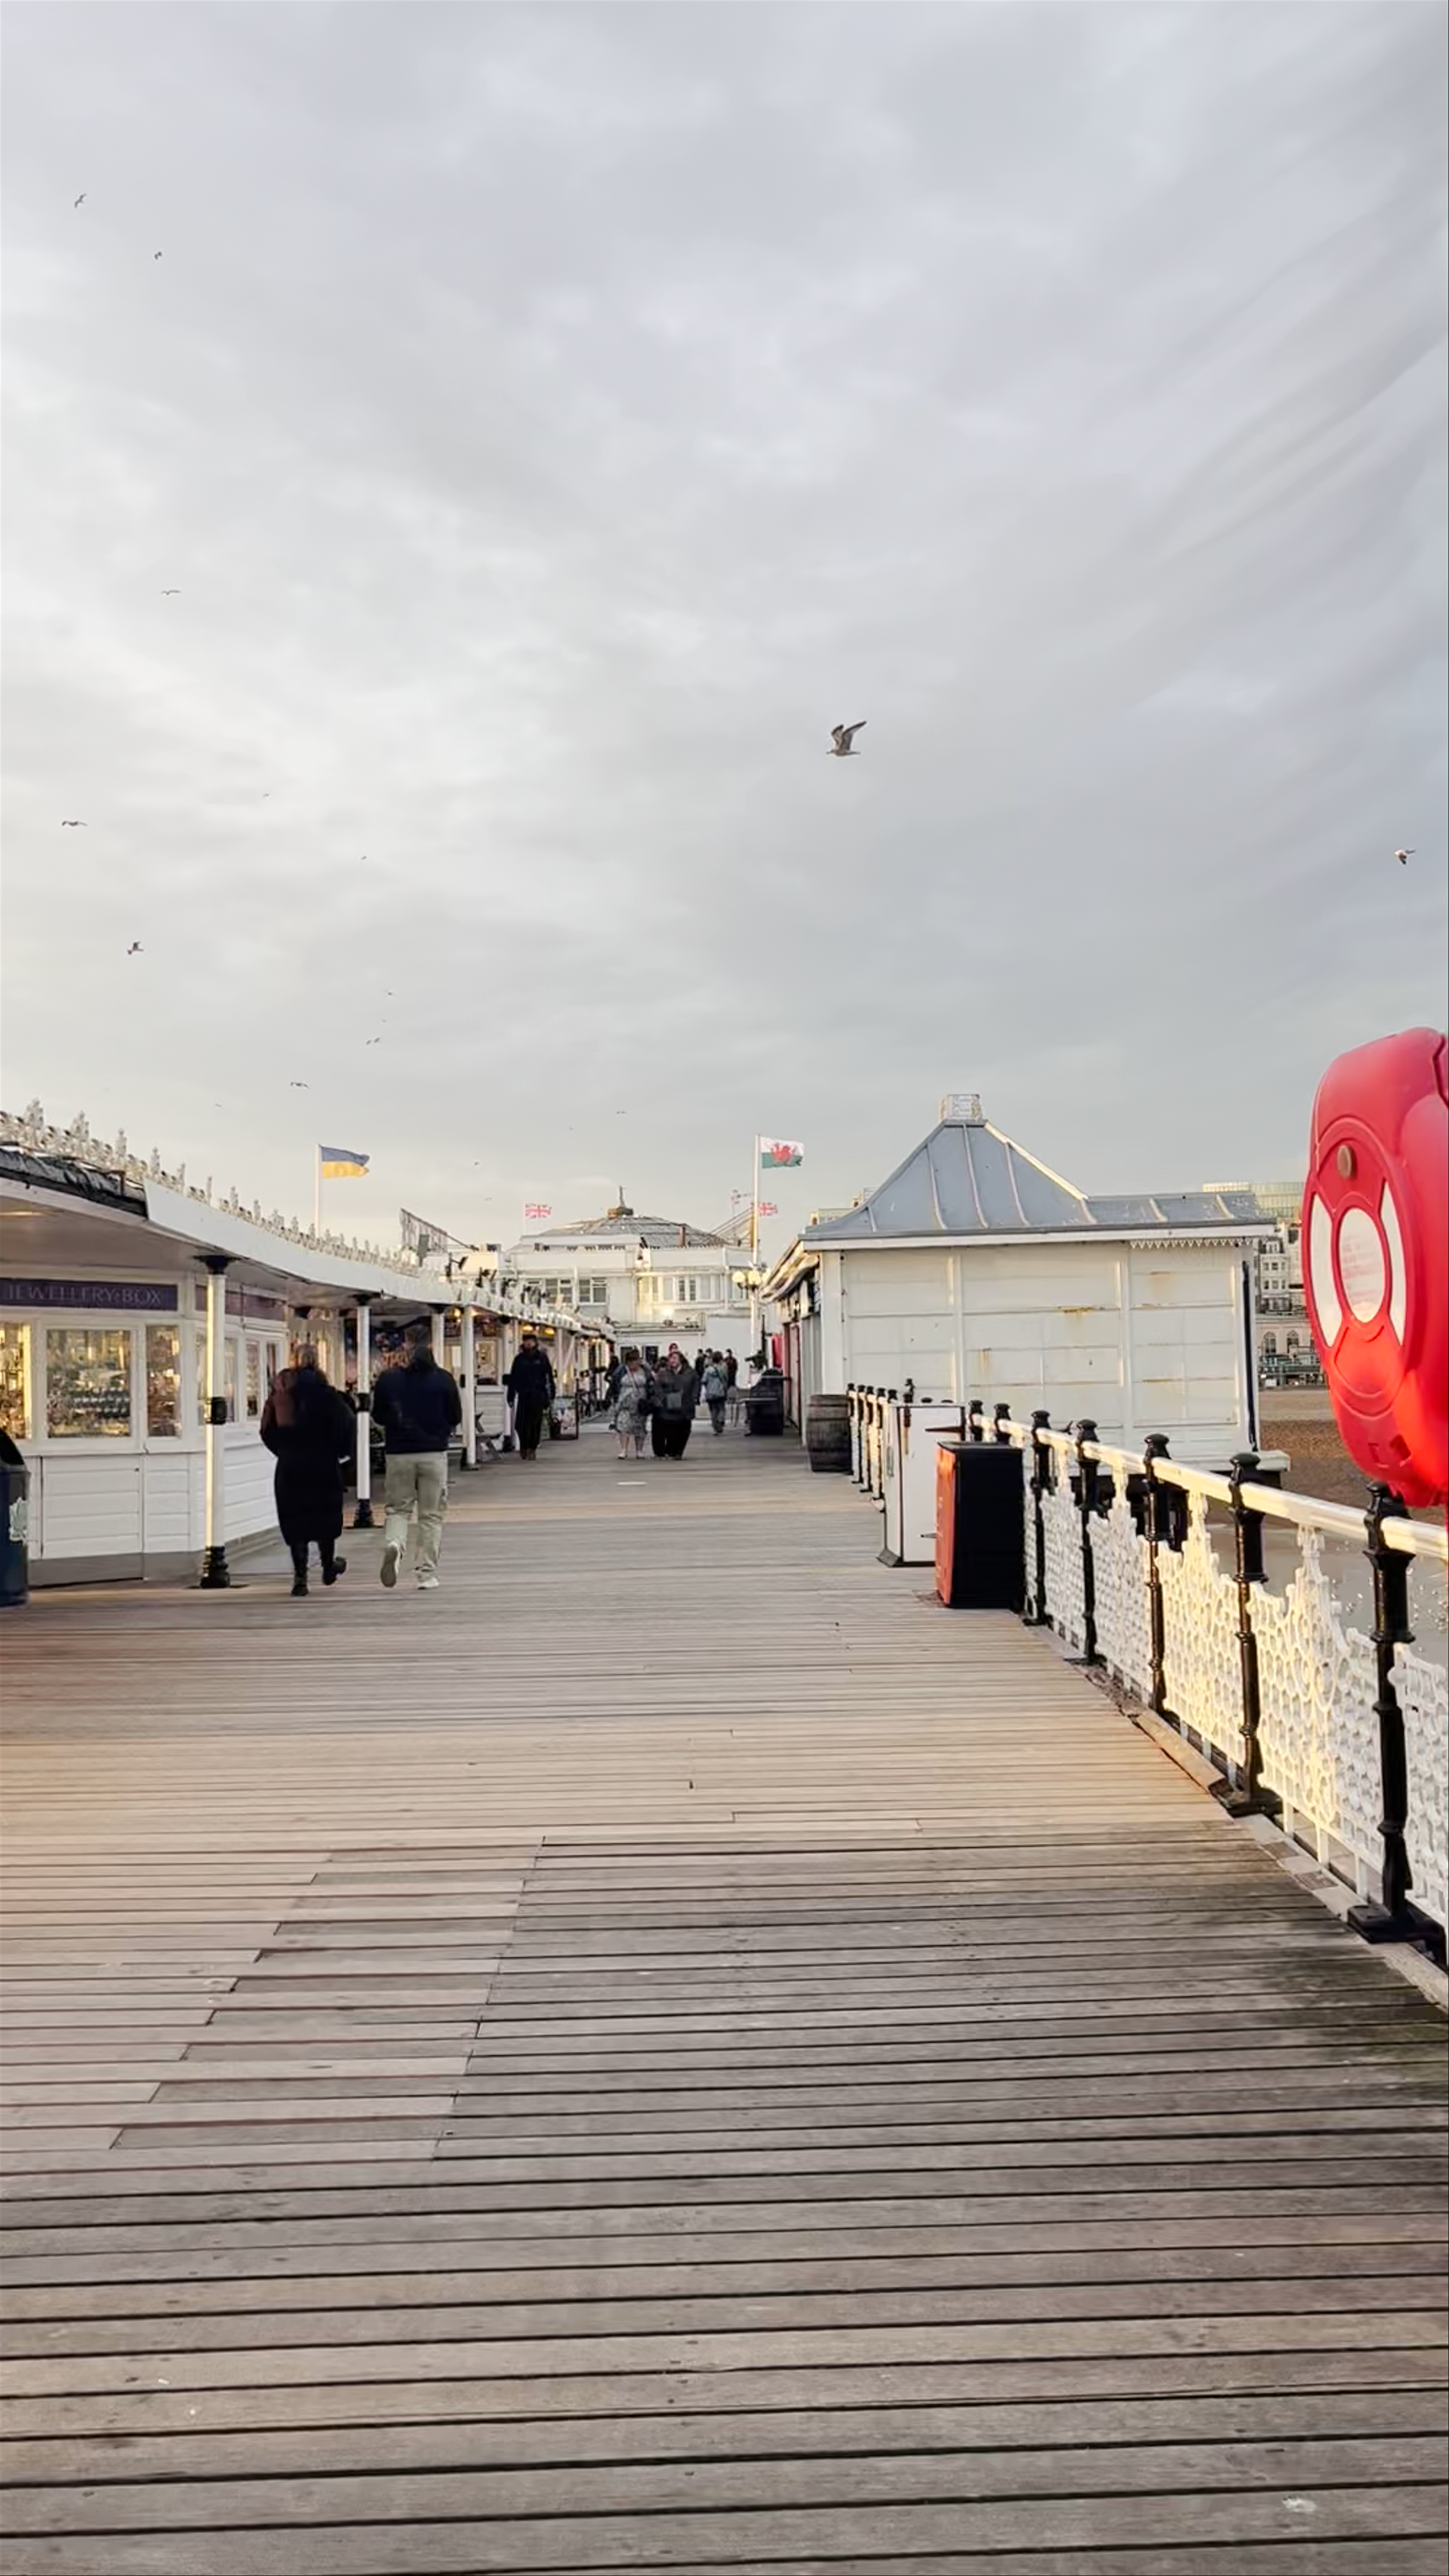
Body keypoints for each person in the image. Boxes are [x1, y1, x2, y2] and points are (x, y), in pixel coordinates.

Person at [372, 1324, 462, 1590]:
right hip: (434, 1453)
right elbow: (456, 1416)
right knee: (431, 1516)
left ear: (405, 1345)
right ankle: (426, 1573)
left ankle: (395, 1544)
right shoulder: (444, 1379)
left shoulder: (389, 1379)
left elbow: (378, 1415)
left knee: (398, 1509)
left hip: (398, 1453)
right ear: (431, 1346)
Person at [260, 1352, 355, 1596]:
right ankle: (328, 1567)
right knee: (325, 1516)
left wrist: (284, 1451)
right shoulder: (330, 1396)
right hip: (323, 1464)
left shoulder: (281, 1397)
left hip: (291, 1466)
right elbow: (347, 1424)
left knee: (296, 1519)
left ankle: (300, 1578)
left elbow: (267, 1430)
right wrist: (341, 1454)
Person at [506, 1332, 555, 1461]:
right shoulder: (519, 1359)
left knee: (535, 1424)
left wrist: (550, 1395)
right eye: (526, 1341)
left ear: (535, 1343)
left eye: (531, 1341)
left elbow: (549, 1376)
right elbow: (513, 1378)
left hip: (538, 1394)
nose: (529, 1343)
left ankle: (532, 1448)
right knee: (521, 1424)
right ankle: (524, 1445)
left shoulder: (542, 1358)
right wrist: (511, 1396)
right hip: (524, 1394)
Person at [652, 1344, 699, 1458]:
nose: (672, 1361)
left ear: (681, 1360)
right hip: (668, 1406)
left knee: (684, 1430)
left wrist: (694, 1398)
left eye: (675, 1358)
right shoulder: (664, 1373)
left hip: (685, 1406)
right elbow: (658, 1388)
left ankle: (678, 1451)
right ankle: (668, 1451)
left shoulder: (690, 1373)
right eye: (671, 1359)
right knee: (669, 1429)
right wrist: (662, 1399)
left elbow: (695, 1387)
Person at [612, 1347, 654, 1459]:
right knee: (624, 1426)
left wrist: (650, 1399)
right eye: (630, 1362)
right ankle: (624, 1450)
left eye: (635, 1361)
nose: (633, 1365)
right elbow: (615, 1383)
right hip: (624, 1403)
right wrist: (615, 1399)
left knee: (640, 1427)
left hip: (640, 1404)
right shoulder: (622, 1371)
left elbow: (651, 1384)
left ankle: (639, 1451)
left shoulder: (645, 1370)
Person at [701, 1350, 730, 1436]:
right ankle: (721, 1421)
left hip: (711, 1393)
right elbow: (726, 1379)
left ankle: (715, 1428)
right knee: (721, 1408)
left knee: (713, 1410)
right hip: (721, 1392)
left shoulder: (708, 1370)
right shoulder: (723, 1369)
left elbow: (704, 1381)